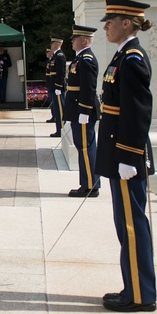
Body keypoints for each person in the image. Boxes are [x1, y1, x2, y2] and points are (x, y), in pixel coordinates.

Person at [96, 0, 157, 313]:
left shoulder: (132, 59)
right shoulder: (123, 56)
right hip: (120, 155)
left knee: (132, 224)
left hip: (126, 158)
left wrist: (129, 158)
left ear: (127, 23)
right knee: (126, 225)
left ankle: (140, 295)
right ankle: (134, 286)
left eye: (110, 21)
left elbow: (137, 113)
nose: (105, 26)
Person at [65, 25, 101, 198]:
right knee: (83, 147)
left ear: (84, 40)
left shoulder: (86, 60)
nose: (72, 41)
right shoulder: (80, 59)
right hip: (78, 109)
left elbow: (88, 88)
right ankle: (88, 183)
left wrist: (85, 111)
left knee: (86, 148)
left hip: (83, 109)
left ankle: (90, 186)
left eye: (75, 38)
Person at [48, 37, 67, 137]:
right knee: (56, 109)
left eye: (53, 43)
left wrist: (58, 87)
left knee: (60, 110)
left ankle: (61, 129)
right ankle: (59, 129)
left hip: (57, 87)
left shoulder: (60, 56)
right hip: (54, 87)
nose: (51, 45)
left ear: (58, 44)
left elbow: (61, 73)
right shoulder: (55, 56)